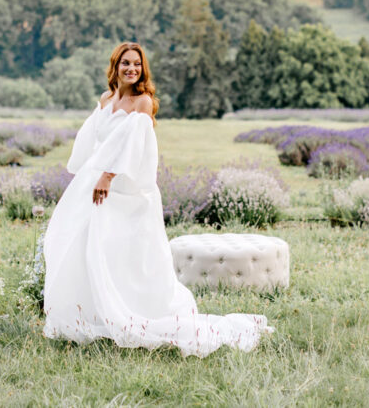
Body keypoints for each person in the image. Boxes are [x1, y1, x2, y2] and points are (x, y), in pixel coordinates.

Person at [42, 41, 273, 357]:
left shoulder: (143, 103)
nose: (131, 69)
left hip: (122, 189)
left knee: (123, 254)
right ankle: (91, 314)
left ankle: (132, 310)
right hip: (93, 183)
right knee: (81, 246)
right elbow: (93, 139)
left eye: (136, 64)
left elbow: (135, 147)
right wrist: (88, 171)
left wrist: (107, 176)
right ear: (115, 66)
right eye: (125, 63)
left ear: (142, 69)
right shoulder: (106, 99)